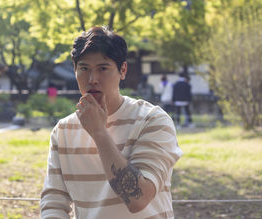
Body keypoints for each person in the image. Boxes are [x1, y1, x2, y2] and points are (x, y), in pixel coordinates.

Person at [40, 26, 182, 219]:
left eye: (103, 68)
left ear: (122, 70)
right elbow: (53, 202)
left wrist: (99, 132)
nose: (92, 79)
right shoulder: (63, 130)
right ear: (75, 71)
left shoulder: (153, 120)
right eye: (84, 69)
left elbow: (137, 198)